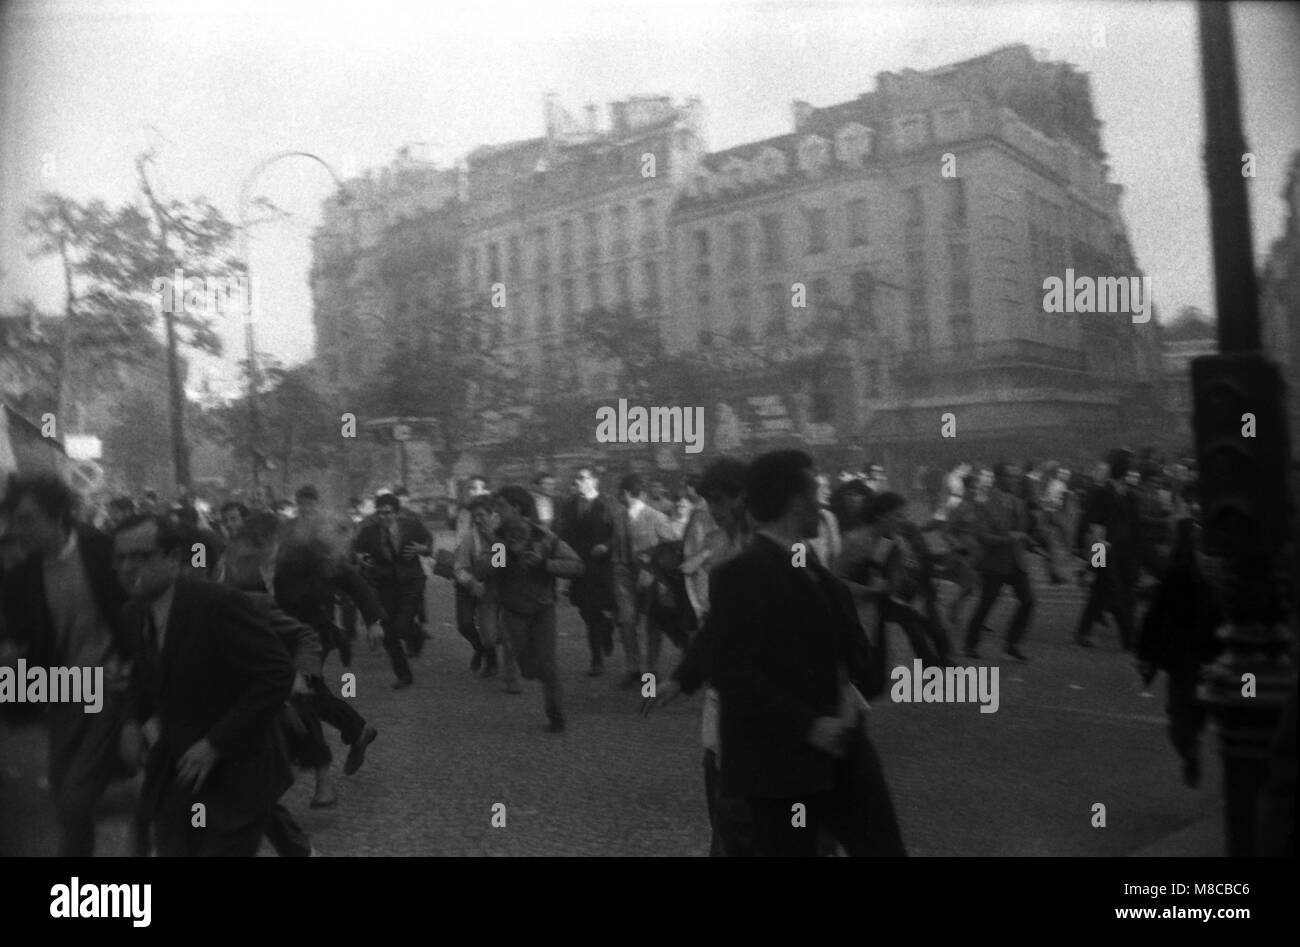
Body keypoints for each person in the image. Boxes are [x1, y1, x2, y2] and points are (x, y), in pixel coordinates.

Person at [706, 449, 904, 857]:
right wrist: (810, 726)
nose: (823, 500)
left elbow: (852, 649)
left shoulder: (811, 561)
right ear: (797, 501)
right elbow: (733, 673)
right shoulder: (735, 570)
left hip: (844, 744)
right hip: (785, 758)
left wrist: (851, 687)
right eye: (816, 491)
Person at [113, 513, 296, 857]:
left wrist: (215, 743)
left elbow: (276, 674)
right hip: (176, 778)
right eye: (121, 558)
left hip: (238, 775)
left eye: (141, 556)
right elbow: (145, 678)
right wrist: (135, 721)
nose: (128, 567)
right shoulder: (132, 615)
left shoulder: (216, 604)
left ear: (172, 558)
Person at [0, 474, 134, 856]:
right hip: (64, 694)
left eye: (28, 519)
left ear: (58, 516)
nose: (18, 529)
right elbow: (24, 654)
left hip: (109, 691)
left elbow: (137, 610)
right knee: (65, 799)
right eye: (14, 519)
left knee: (75, 801)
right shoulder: (20, 579)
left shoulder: (104, 552)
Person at [494, 507, 584, 732]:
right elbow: (487, 571)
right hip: (514, 611)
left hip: (543, 608)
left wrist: (544, 564)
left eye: (523, 533)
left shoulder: (547, 538)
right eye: (513, 534)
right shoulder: (499, 543)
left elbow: (577, 565)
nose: (519, 538)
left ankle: (556, 715)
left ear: (528, 524)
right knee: (527, 668)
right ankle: (535, 672)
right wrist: (506, 555)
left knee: (549, 664)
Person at [611, 474, 685, 688]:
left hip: (652, 576)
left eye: (620, 493)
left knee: (653, 623)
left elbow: (673, 545)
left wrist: (654, 566)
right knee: (626, 620)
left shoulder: (657, 517)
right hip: (624, 573)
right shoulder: (619, 516)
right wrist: (617, 567)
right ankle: (633, 667)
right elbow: (617, 547)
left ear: (625, 493)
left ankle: (650, 671)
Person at [354, 493, 432, 688]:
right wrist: (360, 558)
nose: (383, 517)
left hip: (411, 581)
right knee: (388, 631)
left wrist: (421, 549)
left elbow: (429, 542)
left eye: (387, 513)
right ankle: (404, 675)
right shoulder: (369, 532)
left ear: (396, 513)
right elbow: (356, 550)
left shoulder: (412, 525)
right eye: (379, 513)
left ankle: (414, 632)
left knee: (400, 626)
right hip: (385, 584)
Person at [1074, 448, 1145, 651]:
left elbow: (1135, 527)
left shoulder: (1128, 495)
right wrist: (1096, 560)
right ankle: (1128, 639)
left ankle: (1083, 631)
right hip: (1105, 549)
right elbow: (1092, 523)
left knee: (1101, 592)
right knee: (1115, 593)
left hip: (1123, 552)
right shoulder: (1103, 492)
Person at [962, 462, 1034, 661]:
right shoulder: (985, 501)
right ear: (998, 478)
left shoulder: (1018, 502)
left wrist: (1028, 538)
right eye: (1010, 476)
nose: (1014, 480)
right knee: (987, 603)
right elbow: (982, 535)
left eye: (1016, 477)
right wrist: (1012, 537)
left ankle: (1012, 644)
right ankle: (970, 643)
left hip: (1016, 561)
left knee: (1028, 601)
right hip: (994, 562)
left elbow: (1024, 529)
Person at [557, 466, 618, 677]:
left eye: (584, 478)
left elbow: (618, 534)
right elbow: (563, 532)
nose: (579, 482)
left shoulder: (607, 505)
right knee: (586, 612)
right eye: (577, 478)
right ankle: (604, 634)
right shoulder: (569, 505)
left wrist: (606, 547)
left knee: (595, 611)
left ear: (595, 481)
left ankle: (597, 656)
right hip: (578, 566)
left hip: (601, 567)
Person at [452, 476, 492, 672]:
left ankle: (492, 659)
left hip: (489, 583)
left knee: (491, 630)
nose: (474, 493)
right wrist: (470, 581)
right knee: (464, 624)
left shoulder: (498, 527)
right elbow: (460, 552)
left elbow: (500, 560)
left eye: (479, 489)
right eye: (470, 489)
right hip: (466, 576)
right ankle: (480, 649)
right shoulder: (462, 515)